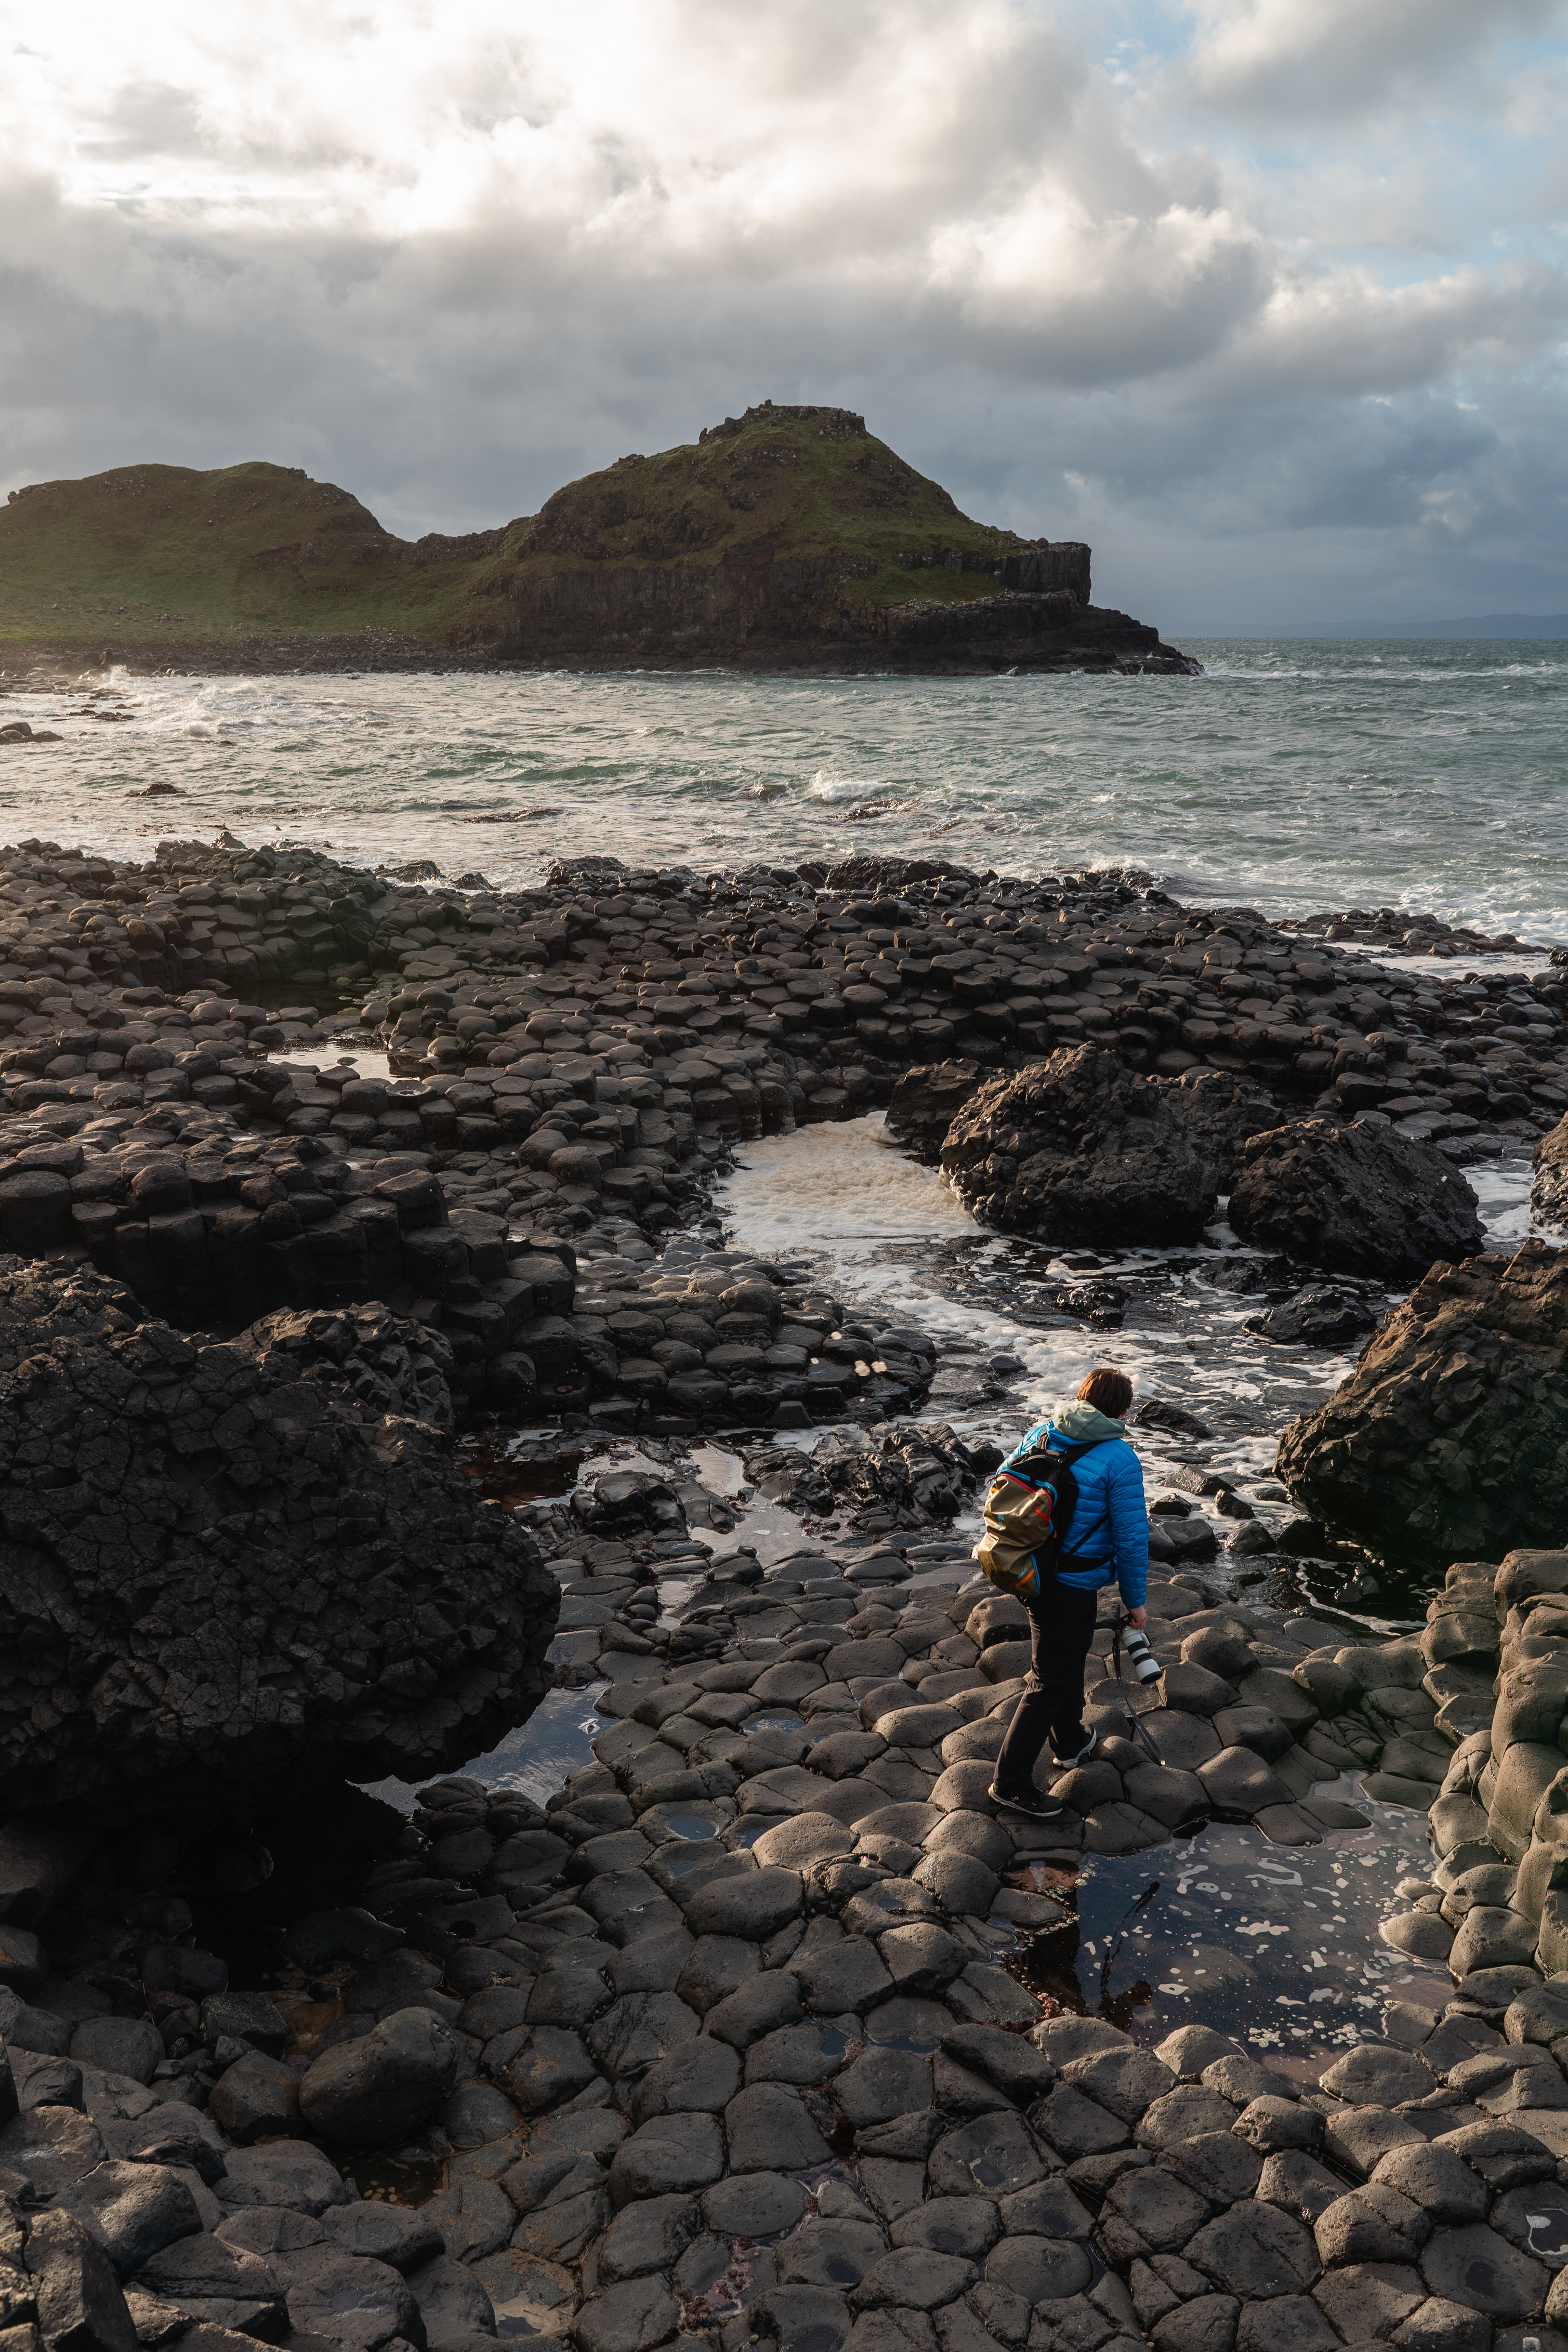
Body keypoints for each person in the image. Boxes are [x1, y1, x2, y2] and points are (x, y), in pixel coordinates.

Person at [987, 1365, 1149, 1821]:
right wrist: (1135, 1601)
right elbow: (1133, 1538)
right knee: (1048, 1679)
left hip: (1029, 1570)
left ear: (1082, 1396)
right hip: (1073, 1583)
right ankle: (1011, 1783)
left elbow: (1000, 1481)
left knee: (1064, 1659)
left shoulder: (1043, 1431)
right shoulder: (1119, 1458)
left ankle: (1071, 1741)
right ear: (1122, 1410)